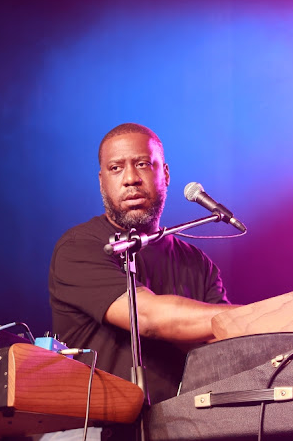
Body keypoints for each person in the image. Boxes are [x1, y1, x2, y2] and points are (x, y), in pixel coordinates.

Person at [48, 122, 238, 412]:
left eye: (142, 164)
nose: (130, 179)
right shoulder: (79, 247)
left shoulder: (198, 264)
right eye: (116, 168)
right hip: (92, 427)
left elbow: (223, 345)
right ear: (102, 181)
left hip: (179, 424)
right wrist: (258, 316)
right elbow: (148, 318)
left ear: (165, 174)